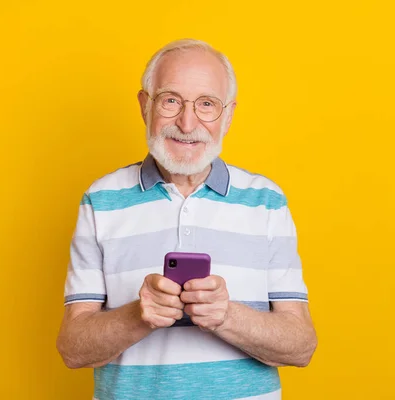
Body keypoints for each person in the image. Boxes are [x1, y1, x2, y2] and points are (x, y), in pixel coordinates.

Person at [56, 38, 318, 400]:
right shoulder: (100, 200)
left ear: (228, 115)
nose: (187, 121)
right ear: (145, 105)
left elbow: (301, 346)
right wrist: (138, 315)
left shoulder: (267, 202)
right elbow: (72, 349)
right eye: (171, 100)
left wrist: (226, 315)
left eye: (207, 104)